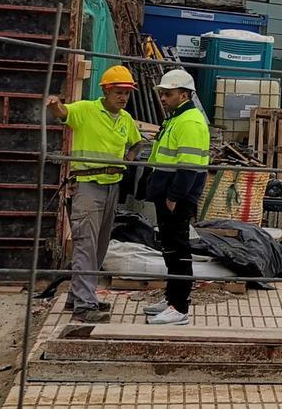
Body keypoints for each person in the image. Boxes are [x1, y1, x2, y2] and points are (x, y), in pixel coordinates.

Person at [45, 66, 144, 323]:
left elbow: (137, 142)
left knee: (99, 246)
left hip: (113, 185)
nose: (123, 98)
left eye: (126, 93)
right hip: (89, 185)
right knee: (86, 245)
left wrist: (130, 157)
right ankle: (84, 306)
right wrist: (55, 105)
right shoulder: (86, 110)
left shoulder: (126, 120)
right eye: (118, 92)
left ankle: (78, 296)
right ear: (105, 90)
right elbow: (63, 113)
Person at [142, 69, 210, 326]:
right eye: (162, 93)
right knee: (170, 248)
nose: (163, 98)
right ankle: (172, 298)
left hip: (176, 197)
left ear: (184, 94)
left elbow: (189, 166)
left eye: (167, 94)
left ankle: (179, 307)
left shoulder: (189, 122)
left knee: (178, 249)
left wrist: (174, 196)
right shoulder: (177, 118)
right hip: (168, 194)